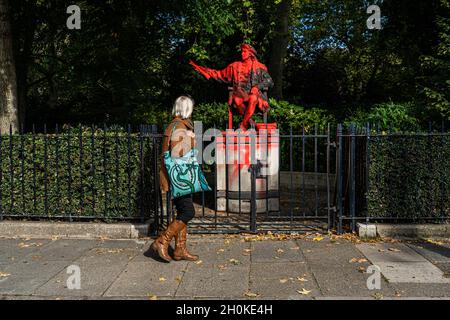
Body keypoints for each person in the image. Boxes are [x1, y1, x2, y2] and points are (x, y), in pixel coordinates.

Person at [151, 95, 199, 262]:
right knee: (188, 211)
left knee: (182, 211)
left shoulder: (176, 125)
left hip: (176, 176)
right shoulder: (179, 126)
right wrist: (192, 140)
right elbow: (178, 154)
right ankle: (162, 241)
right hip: (180, 177)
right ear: (187, 108)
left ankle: (180, 250)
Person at [189, 44, 273, 130]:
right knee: (236, 99)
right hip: (241, 95)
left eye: (244, 52)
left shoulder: (260, 67)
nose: (242, 54)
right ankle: (251, 123)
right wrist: (203, 70)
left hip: (255, 96)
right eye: (242, 52)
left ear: (250, 54)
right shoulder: (235, 66)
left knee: (253, 98)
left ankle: (244, 125)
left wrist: (257, 87)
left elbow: (270, 81)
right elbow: (220, 74)